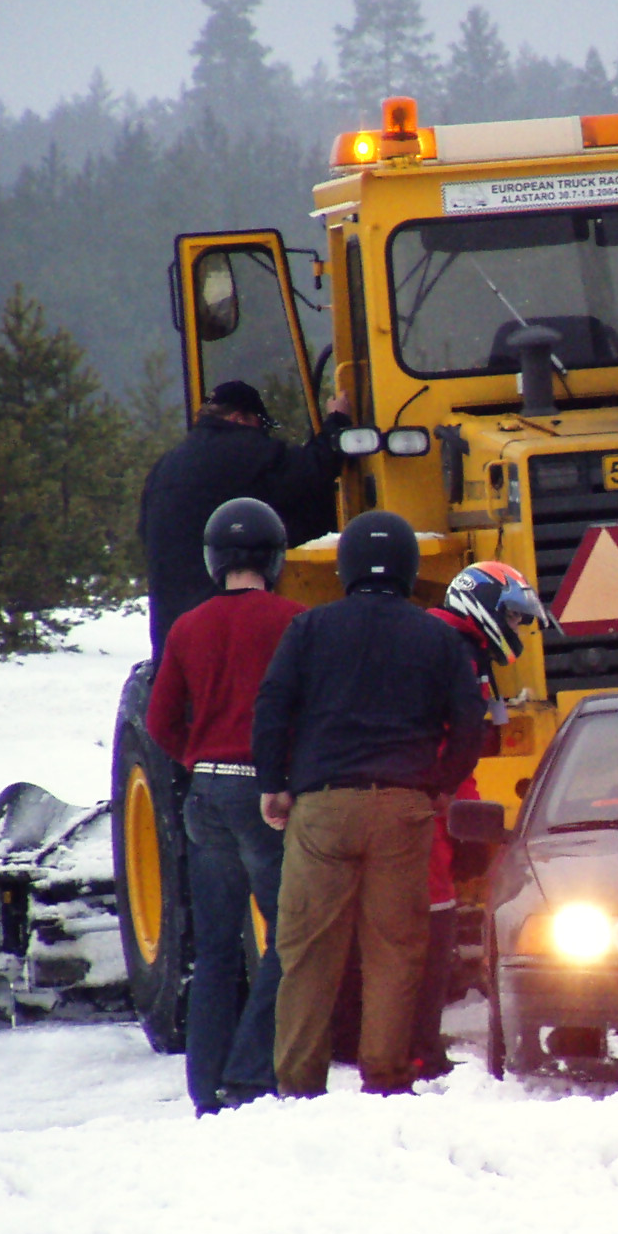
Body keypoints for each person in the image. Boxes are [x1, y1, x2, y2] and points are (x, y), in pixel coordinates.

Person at [253, 510, 486, 1097]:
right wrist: (441, 784)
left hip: (323, 809)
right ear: (410, 569)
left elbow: (273, 705)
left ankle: (299, 1084)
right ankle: (385, 1077)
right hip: (404, 809)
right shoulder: (436, 636)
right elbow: (468, 720)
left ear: (345, 567)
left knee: (307, 952)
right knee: (395, 951)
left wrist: (273, 782)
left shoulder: (309, 629)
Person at [144, 498, 305, 1115]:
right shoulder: (294, 620)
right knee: (288, 939)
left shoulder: (187, 626)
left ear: (214, 560)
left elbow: (161, 721)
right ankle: (248, 1073)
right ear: (275, 556)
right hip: (268, 795)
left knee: (213, 953)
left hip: (206, 792)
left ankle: (204, 1087)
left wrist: (197, 759)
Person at [412, 562, 550, 1078]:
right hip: (430, 806)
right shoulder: (452, 652)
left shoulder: (451, 645)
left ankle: (414, 1046)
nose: (515, 630)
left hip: (429, 800)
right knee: (431, 927)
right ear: (483, 607)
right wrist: (459, 811)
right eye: (512, 618)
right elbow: (457, 743)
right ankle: (418, 1050)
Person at [138, 379, 349, 657]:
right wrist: (337, 421)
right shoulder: (249, 450)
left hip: (172, 633)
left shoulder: (166, 466)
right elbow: (314, 470)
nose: (263, 435)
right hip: (229, 631)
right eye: (261, 424)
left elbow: (144, 532)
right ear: (240, 418)